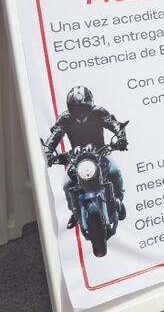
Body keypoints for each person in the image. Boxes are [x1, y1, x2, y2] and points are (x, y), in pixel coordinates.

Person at [42, 87, 129, 230]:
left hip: (101, 153)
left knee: (115, 171)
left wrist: (120, 137)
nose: (80, 111)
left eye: (83, 107)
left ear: (90, 104)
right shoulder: (65, 118)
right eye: (76, 108)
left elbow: (114, 124)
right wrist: (47, 152)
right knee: (67, 185)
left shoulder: (98, 112)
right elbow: (55, 136)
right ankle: (75, 212)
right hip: (77, 158)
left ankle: (119, 201)